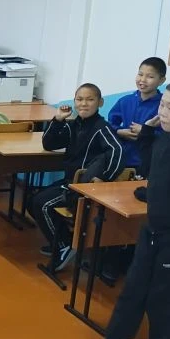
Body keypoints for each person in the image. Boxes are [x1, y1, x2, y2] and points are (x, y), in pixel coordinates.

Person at [92, 83, 170, 339]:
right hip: (153, 229)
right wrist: (149, 132)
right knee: (133, 289)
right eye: (162, 105)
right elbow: (153, 171)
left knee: (163, 297)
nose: (163, 112)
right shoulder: (166, 138)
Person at [31, 83, 123, 271]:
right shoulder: (74, 125)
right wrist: (58, 120)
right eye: (79, 99)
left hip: (82, 187)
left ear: (100, 103)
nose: (84, 104)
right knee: (31, 200)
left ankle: (64, 246)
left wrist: (103, 178)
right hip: (70, 182)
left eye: (90, 100)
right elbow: (49, 144)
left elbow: (118, 152)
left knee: (42, 204)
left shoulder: (102, 128)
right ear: (74, 102)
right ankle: (63, 241)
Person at [108, 57, 166, 170]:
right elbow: (109, 126)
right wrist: (119, 131)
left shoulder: (164, 105)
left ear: (161, 80)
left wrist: (146, 131)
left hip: (150, 162)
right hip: (122, 160)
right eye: (140, 74)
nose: (142, 80)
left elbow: (167, 136)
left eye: (150, 77)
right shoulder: (125, 101)